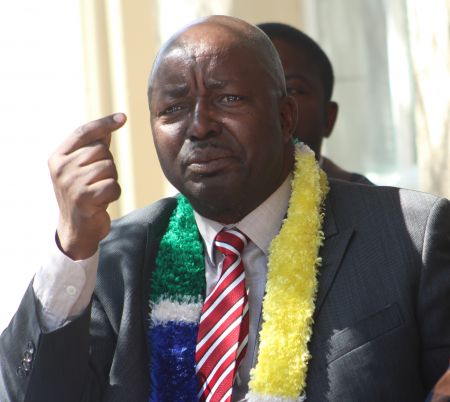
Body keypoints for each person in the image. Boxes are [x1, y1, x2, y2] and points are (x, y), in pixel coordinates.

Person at [1, 15, 450, 402]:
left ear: (285, 116)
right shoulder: (115, 259)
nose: (199, 126)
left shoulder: (411, 236)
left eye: (228, 99)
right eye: (174, 107)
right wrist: (73, 248)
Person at [257, 22, 373, 185]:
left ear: (329, 118)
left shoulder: (371, 207)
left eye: (293, 90)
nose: (273, 106)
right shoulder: (214, 201)